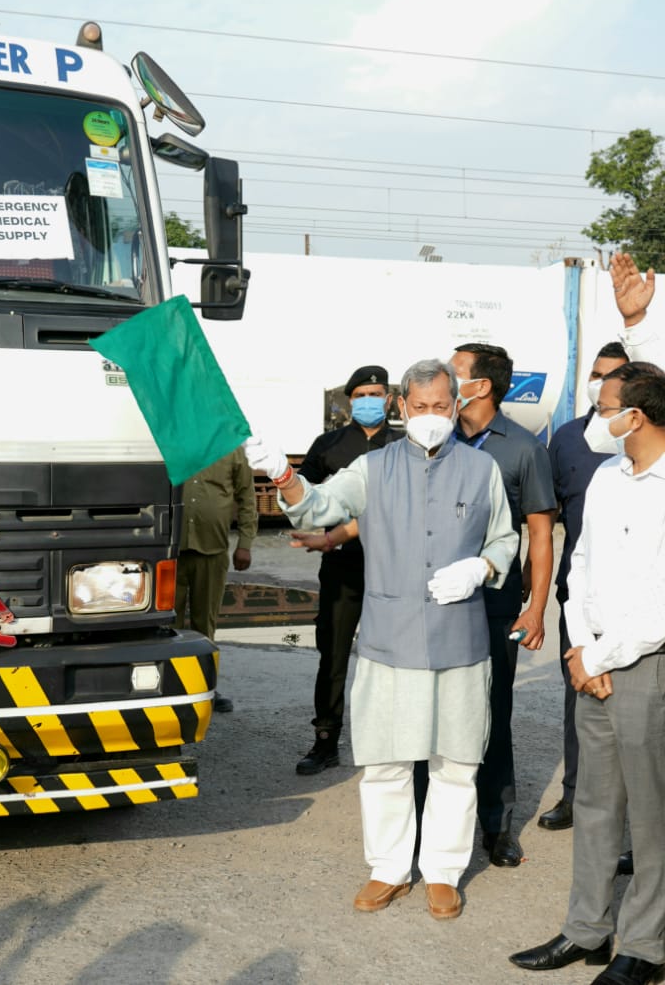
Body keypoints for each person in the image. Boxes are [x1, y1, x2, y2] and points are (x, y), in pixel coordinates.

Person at [245, 359, 518, 920]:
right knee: (387, 765)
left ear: (457, 401)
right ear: (401, 407)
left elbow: (505, 538)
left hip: (459, 641)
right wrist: (284, 477)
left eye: (442, 406)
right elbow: (321, 507)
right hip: (389, 640)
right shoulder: (375, 467)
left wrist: (483, 568)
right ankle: (389, 868)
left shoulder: (481, 469)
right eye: (419, 408)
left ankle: (443, 871)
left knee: (455, 763)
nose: (431, 417)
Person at [508, 363, 665, 985]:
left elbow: (659, 599)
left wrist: (600, 657)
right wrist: (580, 648)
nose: (594, 420)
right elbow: (583, 566)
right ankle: (587, 931)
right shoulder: (605, 476)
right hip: (592, 660)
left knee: (651, 813)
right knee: (596, 803)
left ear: (638, 414)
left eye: (605, 408)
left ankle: (647, 947)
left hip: (646, 663)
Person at [449, 341, 556, 869]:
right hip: (436, 604)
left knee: (493, 714)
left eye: (456, 372)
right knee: (433, 713)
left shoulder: (523, 449)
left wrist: (535, 608)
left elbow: (539, 533)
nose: (447, 379)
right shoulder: (436, 437)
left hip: (493, 605)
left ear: (482, 385)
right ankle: (434, 822)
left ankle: (497, 827)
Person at [536, 341, 629, 833]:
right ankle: (575, 795)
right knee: (580, 696)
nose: (600, 381)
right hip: (579, 597)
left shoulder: (642, 443)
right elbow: (545, 521)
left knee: (635, 707)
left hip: (637, 604)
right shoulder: (568, 439)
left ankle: (634, 816)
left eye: (612, 375)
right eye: (595, 372)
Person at [289, 365, 401, 776]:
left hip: (394, 568)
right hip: (342, 567)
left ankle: (392, 742)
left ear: (389, 399)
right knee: (333, 656)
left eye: (376, 393)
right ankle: (325, 741)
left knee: (393, 658)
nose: (369, 400)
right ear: (349, 400)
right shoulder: (329, 444)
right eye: (361, 395)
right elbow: (305, 494)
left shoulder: (404, 444)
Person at [175, 449, 258, 714]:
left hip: (212, 550)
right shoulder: (172, 441)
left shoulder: (232, 450)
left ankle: (205, 687)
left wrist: (245, 544)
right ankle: (170, 686)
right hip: (170, 550)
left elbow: (246, 497)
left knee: (204, 625)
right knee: (166, 625)